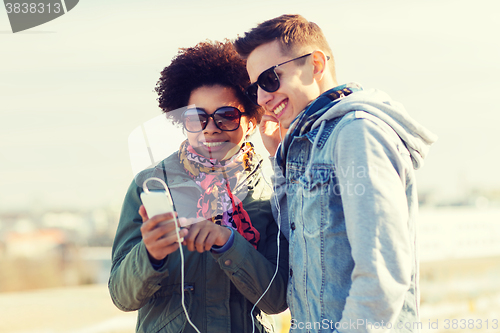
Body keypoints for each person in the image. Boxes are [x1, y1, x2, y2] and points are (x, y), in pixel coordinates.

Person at [234, 14, 437, 332]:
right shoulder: (308, 141)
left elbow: (383, 271)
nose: (261, 98)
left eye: (270, 80)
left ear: (315, 64)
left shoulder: (357, 132)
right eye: (254, 90)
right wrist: (278, 156)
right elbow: (297, 243)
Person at [109, 40, 289, 333]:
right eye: (197, 117)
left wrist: (228, 242)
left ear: (252, 121)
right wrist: (150, 255)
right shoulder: (151, 184)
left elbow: (277, 299)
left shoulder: (272, 189)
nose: (210, 128)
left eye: (227, 115)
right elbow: (121, 295)